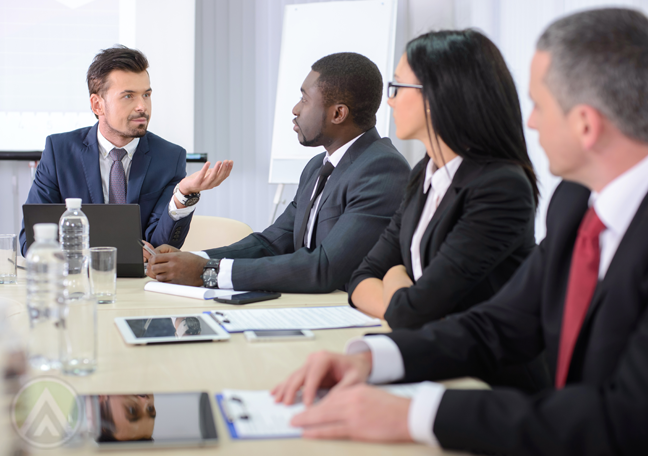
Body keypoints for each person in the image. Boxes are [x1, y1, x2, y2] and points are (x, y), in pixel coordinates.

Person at [272, 8, 648, 455]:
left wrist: (413, 415)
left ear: (586, 124)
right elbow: (500, 322)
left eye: (541, 106)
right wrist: (374, 359)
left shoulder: (511, 187)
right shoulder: (575, 203)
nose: (530, 122)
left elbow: (626, 419)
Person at [146, 53, 411, 293]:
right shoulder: (317, 167)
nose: (296, 109)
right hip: (307, 306)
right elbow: (271, 243)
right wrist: (196, 260)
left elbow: (324, 267)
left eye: (305, 100)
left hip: (347, 318)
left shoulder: (382, 170)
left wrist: (207, 273)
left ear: (338, 113)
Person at [349, 30, 539, 332]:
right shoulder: (425, 173)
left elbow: (414, 310)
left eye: (398, 87)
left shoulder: (501, 187)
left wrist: (395, 276)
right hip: (427, 354)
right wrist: (401, 302)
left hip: (484, 373)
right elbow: (361, 278)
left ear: (436, 94)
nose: (390, 100)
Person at [19, 45, 233, 257]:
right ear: (97, 105)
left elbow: (162, 246)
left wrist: (182, 195)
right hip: (77, 283)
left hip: (140, 287)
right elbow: (31, 241)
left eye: (146, 95)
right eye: (129, 96)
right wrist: (98, 256)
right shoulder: (60, 152)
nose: (142, 106)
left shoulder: (169, 157)